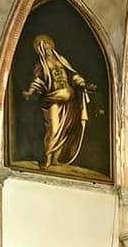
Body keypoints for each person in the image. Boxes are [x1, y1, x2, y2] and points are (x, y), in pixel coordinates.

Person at [23, 34, 91, 168]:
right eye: (43, 46)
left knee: (65, 130)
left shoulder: (61, 60)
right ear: (40, 49)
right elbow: (38, 81)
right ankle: (48, 157)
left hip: (68, 99)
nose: (47, 48)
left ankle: (56, 158)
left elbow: (72, 74)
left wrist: (81, 82)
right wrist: (30, 92)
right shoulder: (41, 64)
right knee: (53, 129)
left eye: (48, 45)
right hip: (52, 99)